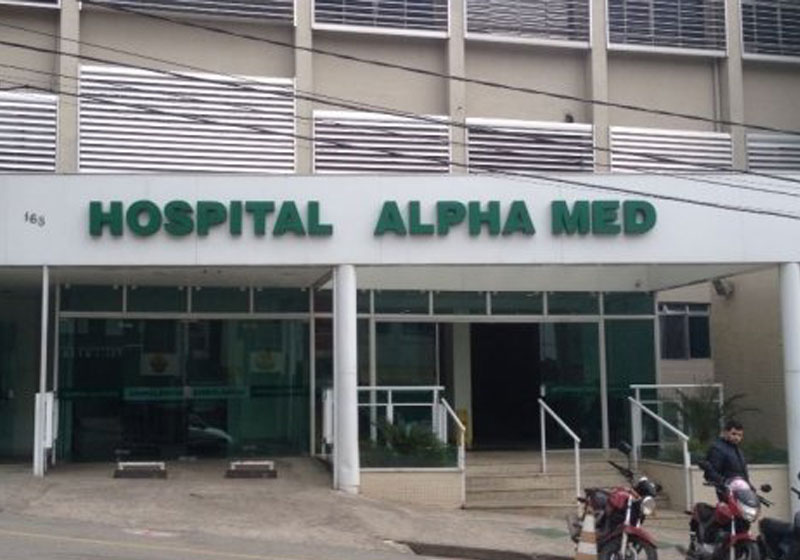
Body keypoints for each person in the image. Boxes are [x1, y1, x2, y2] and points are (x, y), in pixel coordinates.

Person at [704, 419, 749, 497]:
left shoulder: (737, 451)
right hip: (727, 491)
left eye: (740, 435)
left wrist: (750, 486)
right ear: (725, 432)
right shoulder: (717, 449)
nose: (737, 437)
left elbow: (743, 473)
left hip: (742, 492)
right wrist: (724, 482)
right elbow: (711, 472)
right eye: (733, 434)